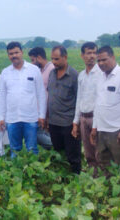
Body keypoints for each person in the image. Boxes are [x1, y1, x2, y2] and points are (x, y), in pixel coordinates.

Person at [0, 42, 46, 158]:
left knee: (32, 148)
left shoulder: (34, 70)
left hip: (30, 118)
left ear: (22, 52)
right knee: (15, 149)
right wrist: (1, 118)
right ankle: (16, 174)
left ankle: (33, 173)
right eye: (11, 54)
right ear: (8, 55)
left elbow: (41, 94)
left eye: (16, 52)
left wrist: (42, 115)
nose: (14, 56)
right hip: (12, 119)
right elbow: (2, 97)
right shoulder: (5, 72)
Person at [90, 46, 120, 175]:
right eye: (99, 61)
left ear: (113, 57)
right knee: (104, 165)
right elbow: (98, 104)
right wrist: (94, 127)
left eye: (104, 60)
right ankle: (107, 193)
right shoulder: (100, 77)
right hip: (102, 130)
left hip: (117, 131)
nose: (101, 64)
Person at [47, 45, 81, 174]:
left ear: (65, 57)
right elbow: (49, 96)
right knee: (58, 153)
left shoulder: (73, 75)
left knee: (73, 154)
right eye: (52, 59)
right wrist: (46, 117)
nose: (53, 62)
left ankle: (75, 178)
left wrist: (76, 124)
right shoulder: (52, 73)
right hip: (53, 122)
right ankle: (62, 177)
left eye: (56, 59)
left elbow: (79, 100)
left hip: (68, 122)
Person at [72, 42, 102, 174]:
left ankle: (103, 180)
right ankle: (93, 179)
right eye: (89, 53)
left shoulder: (101, 73)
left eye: (94, 53)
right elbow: (79, 98)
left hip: (97, 118)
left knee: (99, 152)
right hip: (84, 118)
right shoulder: (81, 75)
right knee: (88, 153)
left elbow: (102, 100)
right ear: (82, 55)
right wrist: (75, 122)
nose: (92, 56)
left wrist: (96, 124)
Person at [28, 47, 54, 150]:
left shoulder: (51, 69)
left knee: (40, 135)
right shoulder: (39, 70)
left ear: (39, 57)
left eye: (33, 60)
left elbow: (51, 93)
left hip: (47, 111)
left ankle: (58, 147)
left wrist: (46, 113)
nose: (32, 63)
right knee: (42, 134)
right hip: (39, 111)